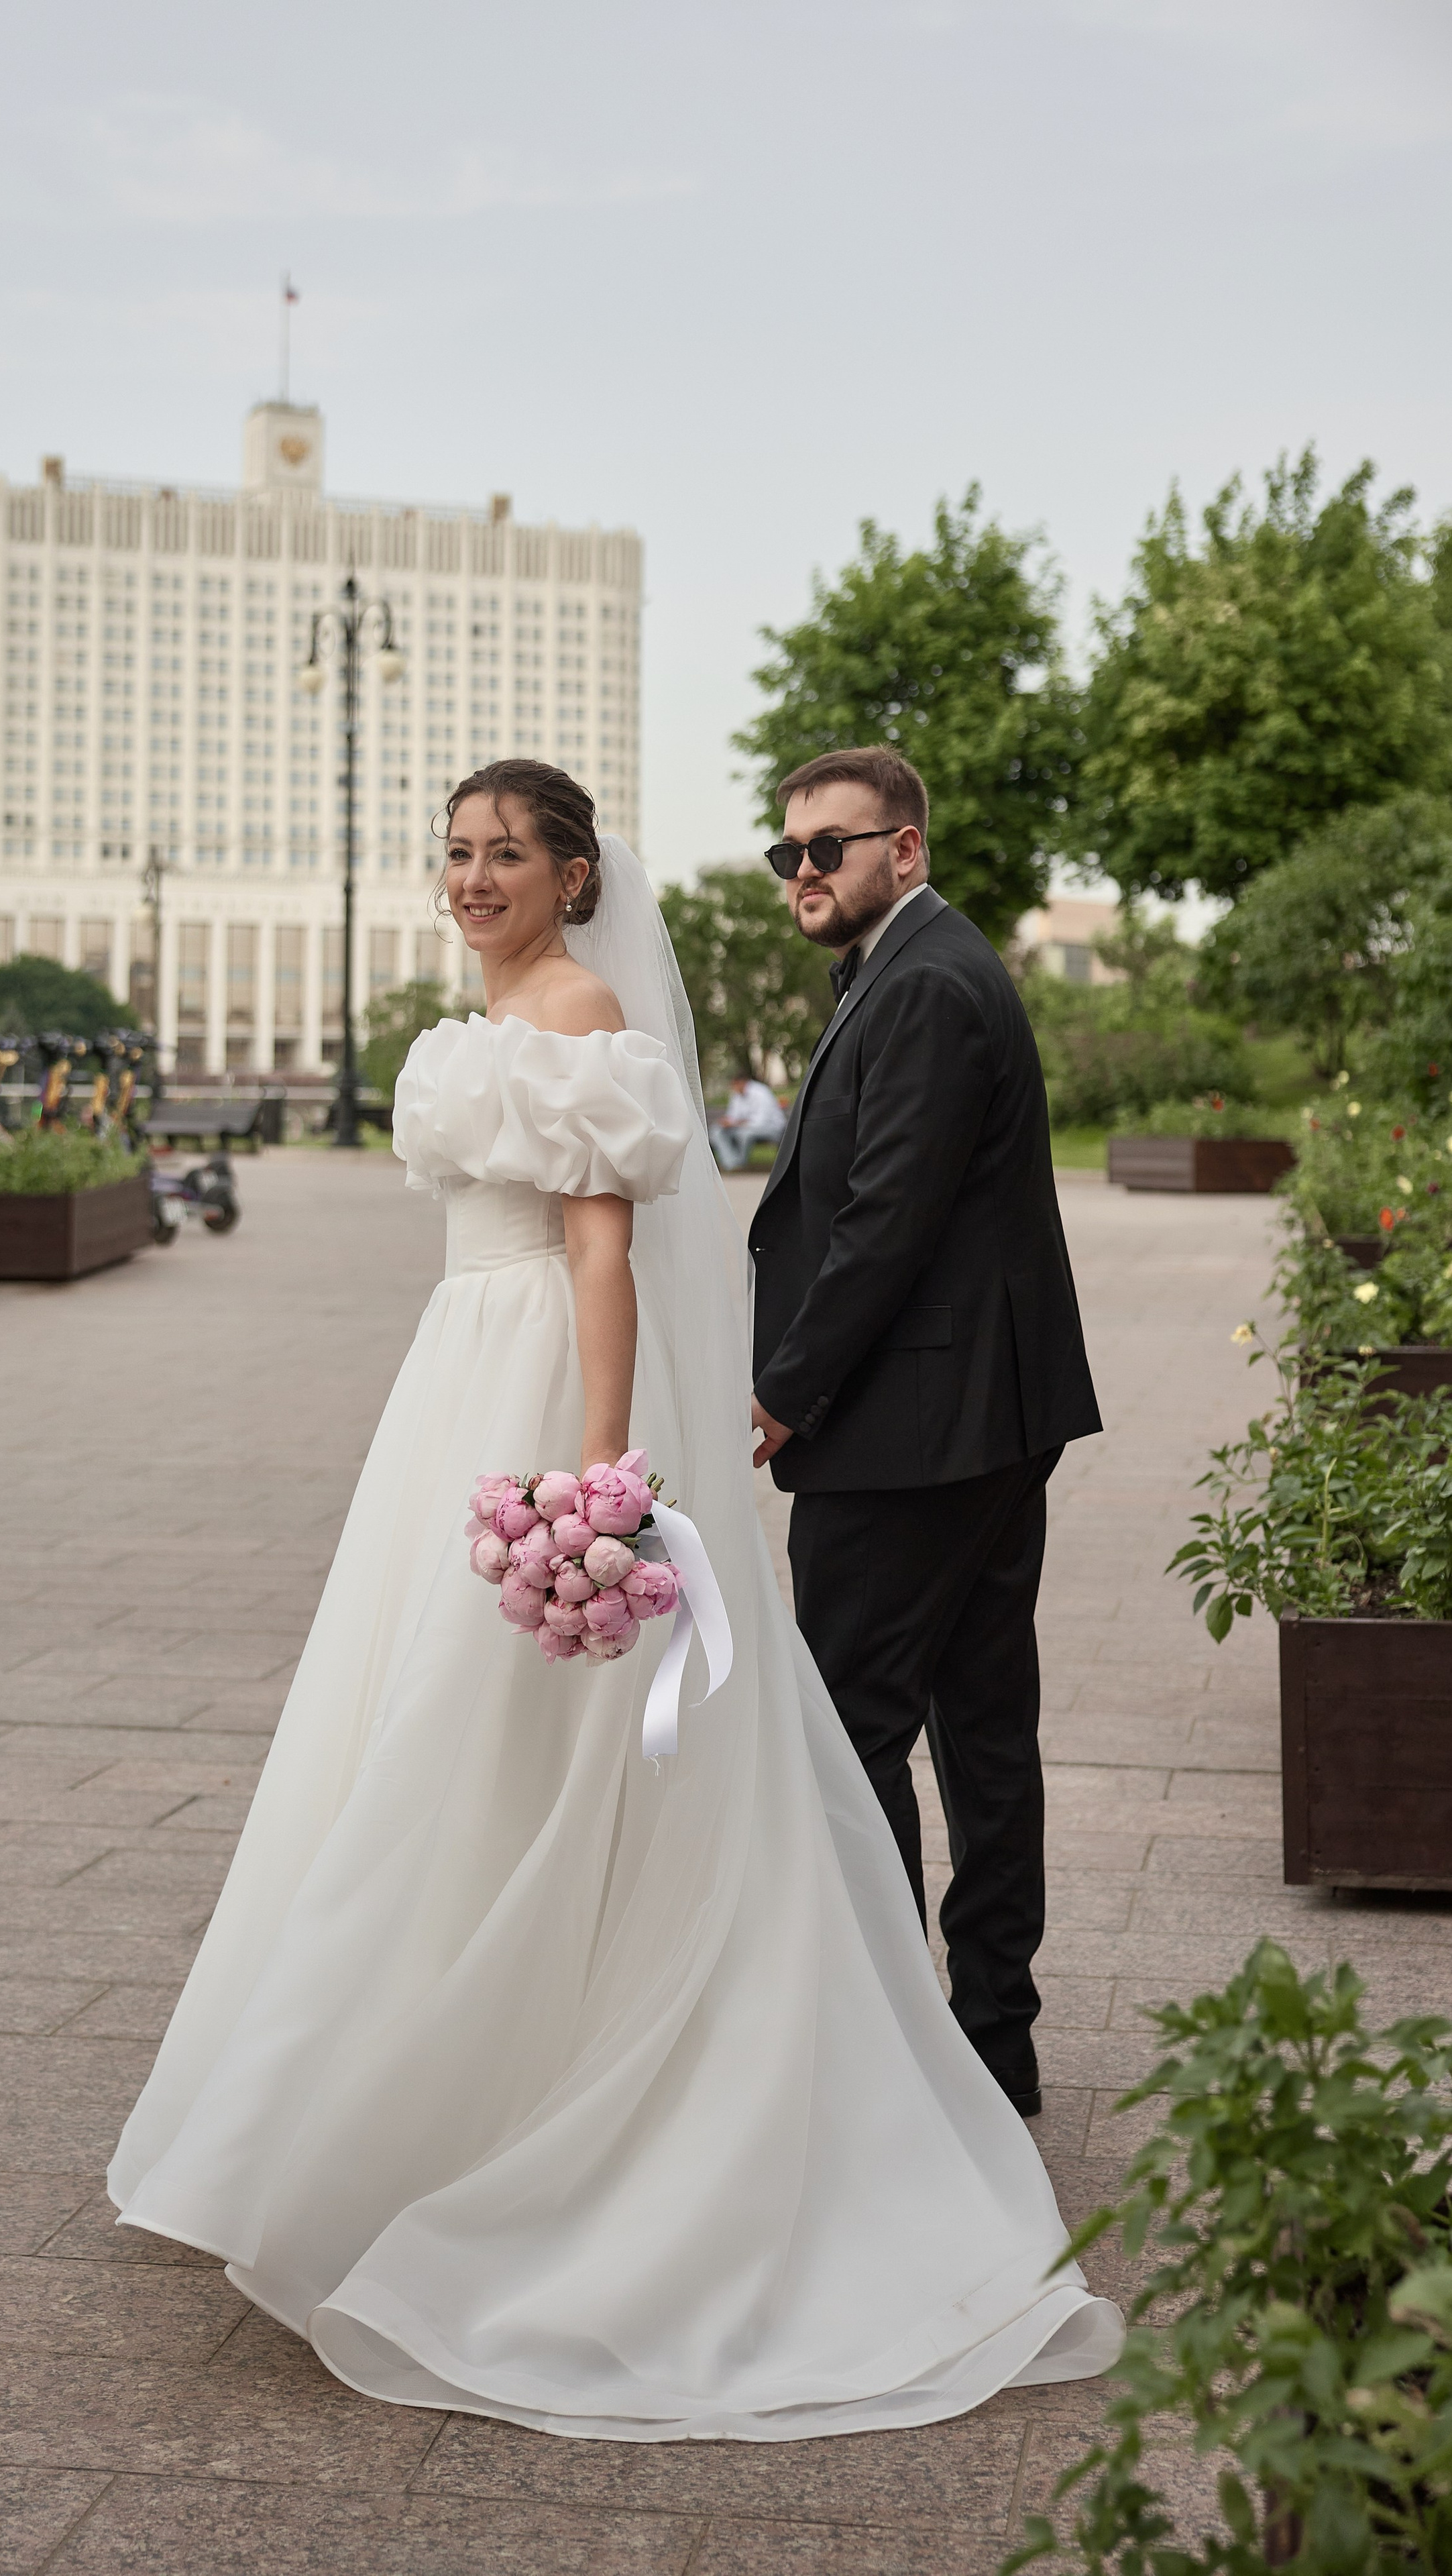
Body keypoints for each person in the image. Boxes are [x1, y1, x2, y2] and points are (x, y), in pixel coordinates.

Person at [109, 756, 1120, 2438]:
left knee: (682, 1736)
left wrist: (599, 1474)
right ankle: (914, 2031)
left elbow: (631, 1249)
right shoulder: (550, 1008)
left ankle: (856, 2044)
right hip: (458, 1380)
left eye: (505, 851)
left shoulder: (602, 1012)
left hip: (580, 1405)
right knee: (440, 1734)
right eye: (453, 851)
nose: (471, 875)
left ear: (576, 875)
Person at [748, 747, 1101, 2122]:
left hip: (914, 1424)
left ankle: (899, 2039)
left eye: (825, 849)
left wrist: (783, 1389)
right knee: (977, 1724)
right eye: (787, 854)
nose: (802, 875)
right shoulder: (913, 970)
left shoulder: (931, 985)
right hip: (967, 1416)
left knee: (852, 1728)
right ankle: (983, 2041)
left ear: (902, 847)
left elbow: (881, 1222)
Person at [710, 1073, 787, 1171]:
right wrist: (727, 1122)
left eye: (735, 1085)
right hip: (744, 1127)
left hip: (772, 1128)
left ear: (742, 1083)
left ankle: (740, 1164)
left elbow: (761, 1121)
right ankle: (731, 1164)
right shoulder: (736, 1095)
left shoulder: (761, 1093)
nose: (733, 1088)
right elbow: (733, 1116)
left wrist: (737, 1124)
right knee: (716, 1131)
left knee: (744, 1134)